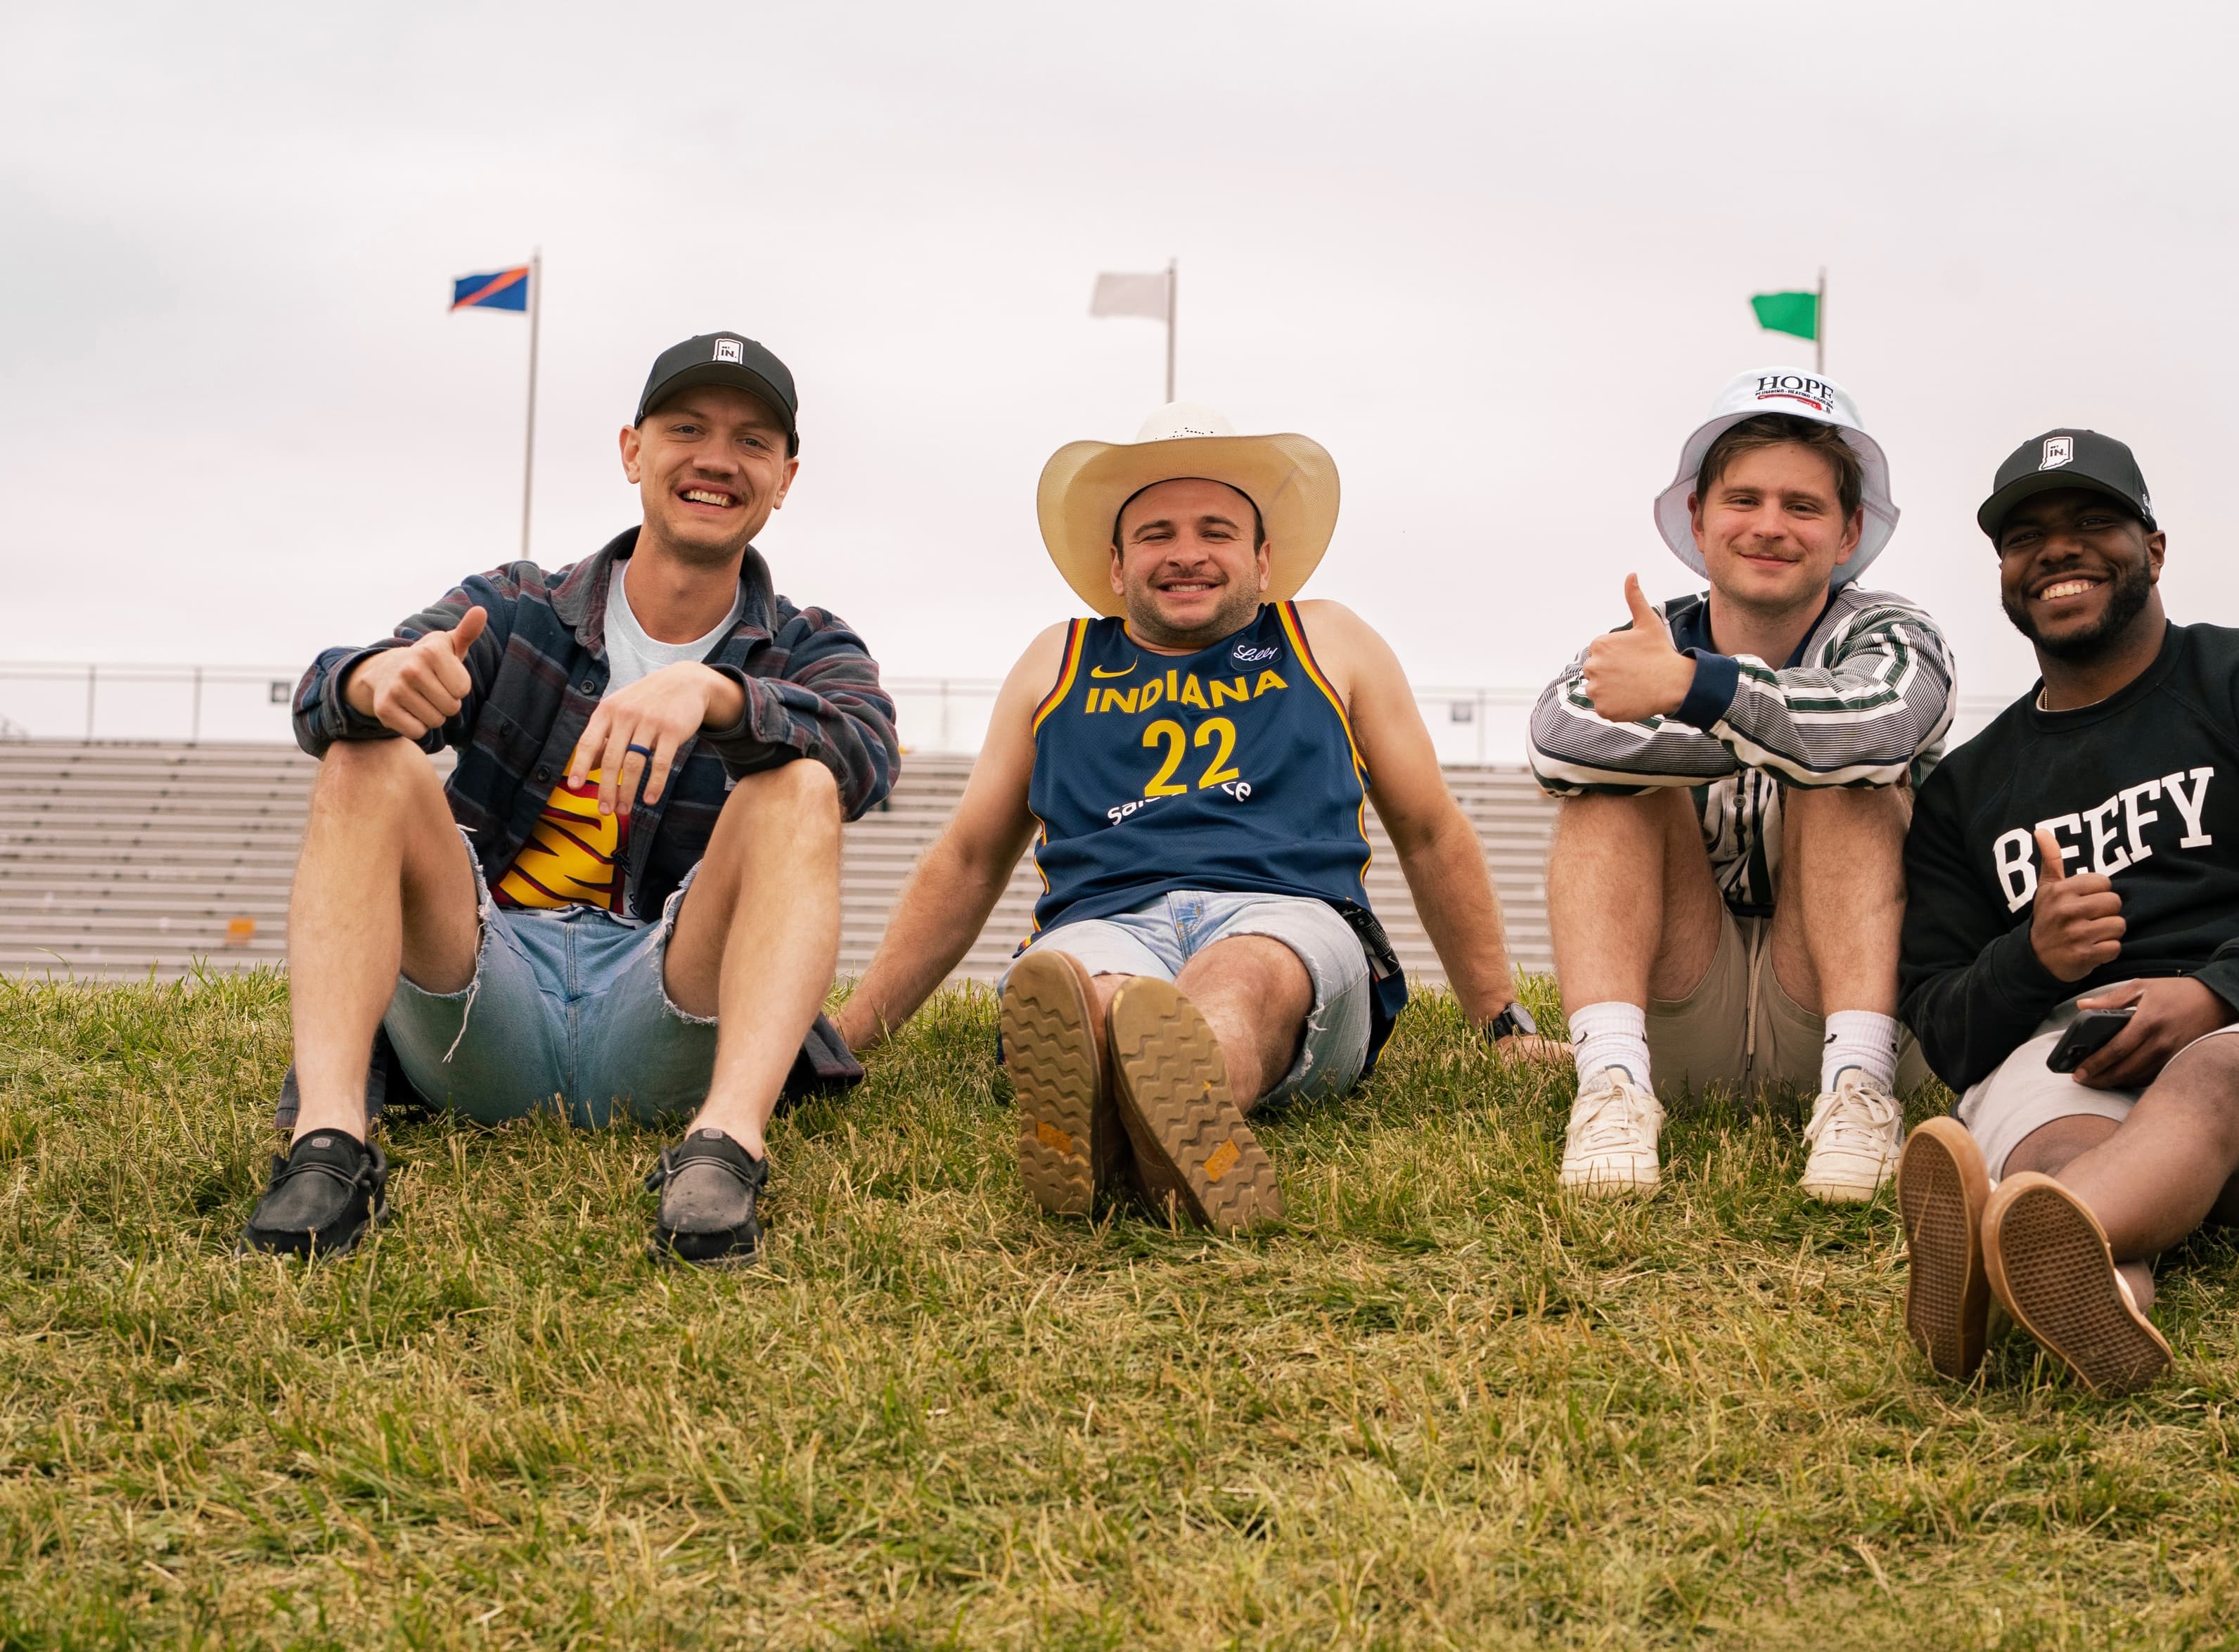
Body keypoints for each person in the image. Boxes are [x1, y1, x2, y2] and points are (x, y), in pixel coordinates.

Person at [243, 333, 896, 1265]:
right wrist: (376, 682)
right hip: (485, 995)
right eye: (687, 428)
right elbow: (334, 689)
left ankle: (726, 1146)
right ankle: (331, 1142)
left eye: (753, 441)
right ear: (633, 450)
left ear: (785, 477)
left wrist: (718, 697)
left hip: (663, 1008)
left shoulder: (804, 642)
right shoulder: (517, 604)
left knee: (798, 780)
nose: (717, 458)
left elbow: (865, 756)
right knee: (364, 757)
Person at [835, 403, 1551, 1233]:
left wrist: (1502, 1021)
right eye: (1155, 534)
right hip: (1102, 918)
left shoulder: (1327, 639)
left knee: (1243, 976)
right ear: (1115, 564)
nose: (1185, 553)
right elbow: (967, 859)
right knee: (1090, 990)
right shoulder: (1056, 659)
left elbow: (1429, 831)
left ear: (1263, 556)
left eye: (1215, 529)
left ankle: (1139, 1107)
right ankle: (1145, 1117)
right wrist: (846, 1036)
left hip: (1286, 914)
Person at [1895, 429, 2239, 1396]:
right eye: (2027, 535)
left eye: (2094, 521)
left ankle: (1978, 1259)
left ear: (2156, 550)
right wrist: (2034, 961)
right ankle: (2114, 1298)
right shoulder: (1968, 789)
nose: (2059, 549)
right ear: (2004, 571)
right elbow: (1944, 1025)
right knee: (2056, 1155)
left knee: (2211, 1078)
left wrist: (2216, 994)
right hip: (2069, 1051)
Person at [1528, 369, 1956, 1200]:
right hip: (1691, 1004)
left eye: (1803, 507)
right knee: (1608, 789)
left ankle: (1860, 1092)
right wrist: (1761, 730)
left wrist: (1701, 698)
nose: (1770, 527)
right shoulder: (1650, 636)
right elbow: (1556, 739)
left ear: (1848, 533)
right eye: (1744, 500)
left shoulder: (1893, 631)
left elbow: (1879, 728)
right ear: (1697, 518)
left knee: (1846, 773)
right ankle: (1612, 1086)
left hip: (1842, 999)